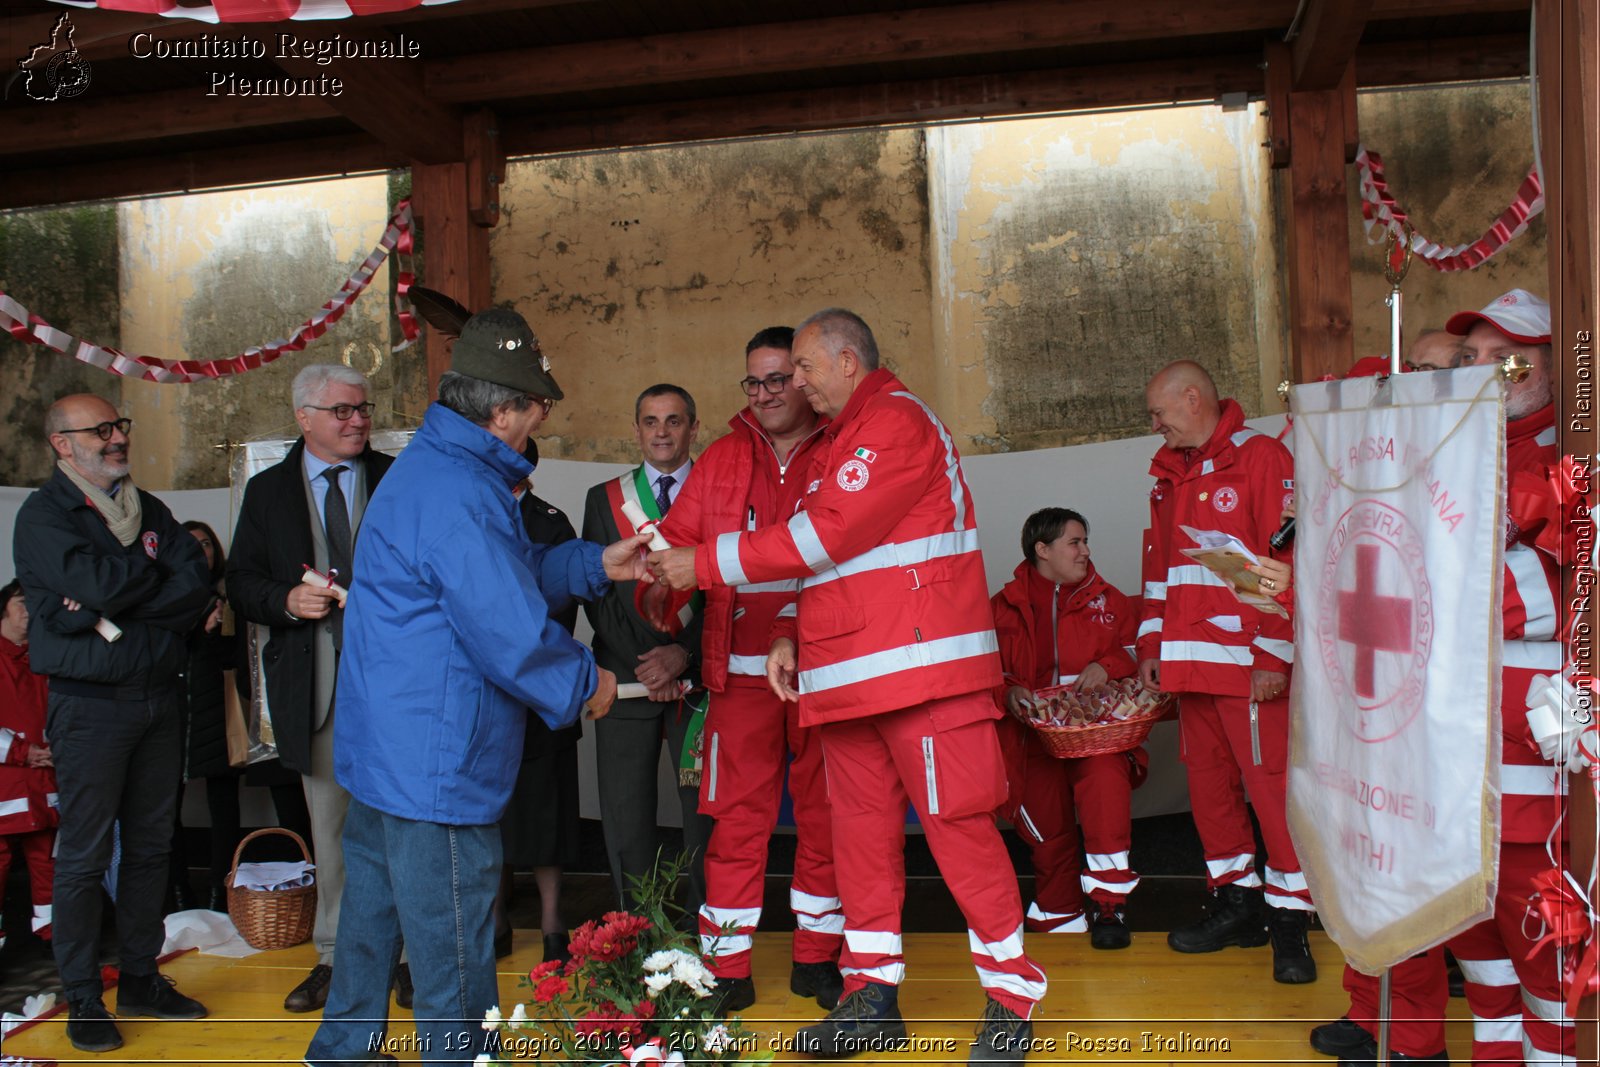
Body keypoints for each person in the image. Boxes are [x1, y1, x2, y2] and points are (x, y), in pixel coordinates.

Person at [648, 309, 1046, 1065]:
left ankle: (1010, 997)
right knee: (860, 842)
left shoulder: (893, 423)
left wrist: (699, 565)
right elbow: (832, 567)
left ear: (847, 361)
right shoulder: (842, 440)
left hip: (923, 677)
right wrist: (792, 631)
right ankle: (871, 993)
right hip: (851, 681)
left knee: (960, 834)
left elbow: (822, 535)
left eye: (802, 367)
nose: (794, 382)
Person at [302, 307, 649, 1067]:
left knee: (371, 918)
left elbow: (501, 574)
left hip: (390, 751)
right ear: (499, 413)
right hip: (435, 761)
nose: (542, 418)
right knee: (455, 946)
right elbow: (508, 628)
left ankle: (344, 1050)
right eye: (536, 406)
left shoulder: (437, 471)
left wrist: (594, 563)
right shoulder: (459, 491)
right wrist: (585, 680)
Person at [643, 326, 842, 1012]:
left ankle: (817, 958)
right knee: (734, 828)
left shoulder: (846, 448)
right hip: (739, 679)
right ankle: (726, 968)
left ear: (806, 378)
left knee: (828, 821)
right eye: (752, 383)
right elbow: (670, 553)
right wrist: (661, 609)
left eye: (778, 379)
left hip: (829, 672)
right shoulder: (722, 458)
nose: (764, 395)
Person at [11, 394, 213, 1053]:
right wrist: (144, 583)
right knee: (85, 853)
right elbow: (92, 586)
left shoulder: (148, 509)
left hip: (159, 696)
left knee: (153, 845)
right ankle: (80, 997)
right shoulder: (44, 516)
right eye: (99, 430)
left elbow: (195, 583)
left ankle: (139, 976)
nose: (115, 438)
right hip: (91, 705)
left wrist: (116, 594)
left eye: (118, 425)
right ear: (62, 445)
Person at [228, 363, 405, 1013]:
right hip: (318, 685)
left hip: (401, 687)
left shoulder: (398, 477)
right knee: (330, 830)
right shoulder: (269, 492)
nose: (359, 420)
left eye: (364, 409)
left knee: (405, 824)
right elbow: (239, 582)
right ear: (304, 417)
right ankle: (336, 957)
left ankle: (411, 956)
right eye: (342, 411)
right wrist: (284, 597)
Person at [1138, 360, 1315, 984]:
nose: (1154, 425)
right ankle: (1237, 905)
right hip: (1191, 670)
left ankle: (1291, 923)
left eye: (1159, 412)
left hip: (1247, 669)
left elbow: (1285, 558)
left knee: (1271, 794)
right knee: (1209, 795)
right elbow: (1157, 572)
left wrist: (1272, 655)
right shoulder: (1166, 478)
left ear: (1193, 398)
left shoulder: (1259, 458)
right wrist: (1150, 647)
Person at [581, 384, 711, 916]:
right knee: (626, 812)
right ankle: (633, 936)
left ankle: (712, 937)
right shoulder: (602, 498)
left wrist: (683, 654)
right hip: (626, 675)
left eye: (674, 421)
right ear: (636, 430)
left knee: (704, 814)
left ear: (693, 428)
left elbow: (732, 590)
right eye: (651, 421)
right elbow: (595, 592)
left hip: (701, 679)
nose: (662, 431)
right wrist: (650, 664)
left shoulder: (719, 490)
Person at [991, 508, 1142, 949]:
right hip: (1030, 740)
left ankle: (1110, 906)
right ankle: (1059, 914)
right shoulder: (1001, 607)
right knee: (1047, 829)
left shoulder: (1109, 599)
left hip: (1097, 735)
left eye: (1084, 541)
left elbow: (1138, 649)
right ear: (1043, 549)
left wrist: (1107, 665)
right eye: (1075, 542)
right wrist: (1010, 693)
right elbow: (984, 671)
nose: (1085, 551)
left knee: (1105, 797)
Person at [497, 439, 583, 964]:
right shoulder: (476, 512)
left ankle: (553, 921)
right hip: (487, 695)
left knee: (547, 811)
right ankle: (496, 921)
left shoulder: (550, 520)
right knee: (491, 811)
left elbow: (562, 608)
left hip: (542, 691)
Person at [0, 579, 56, 955]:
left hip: (45, 782)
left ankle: (57, 945)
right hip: (6, 784)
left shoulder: (44, 657)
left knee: (51, 867)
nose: (29, 610)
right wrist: (21, 751)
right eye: (22, 602)